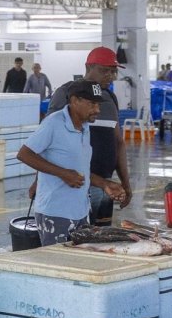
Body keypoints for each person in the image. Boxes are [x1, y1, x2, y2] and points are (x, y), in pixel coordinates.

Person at [17, 82, 124, 243]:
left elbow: (80, 170)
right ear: (75, 101)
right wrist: (63, 174)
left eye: (98, 104)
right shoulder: (54, 123)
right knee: (58, 265)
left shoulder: (85, 126)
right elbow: (24, 154)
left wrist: (104, 184)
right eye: (92, 104)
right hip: (55, 214)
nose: (97, 110)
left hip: (80, 212)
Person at [49, 47, 131, 224]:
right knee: (77, 239)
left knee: (101, 240)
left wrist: (125, 182)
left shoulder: (110, 98)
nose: (109, 75)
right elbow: (49, 142)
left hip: (106, 185)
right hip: (75, 184)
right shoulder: (66, 94)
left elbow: (118, 143)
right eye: (104, 70)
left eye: (113, 71)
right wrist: (38, 180)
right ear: (88, 67)